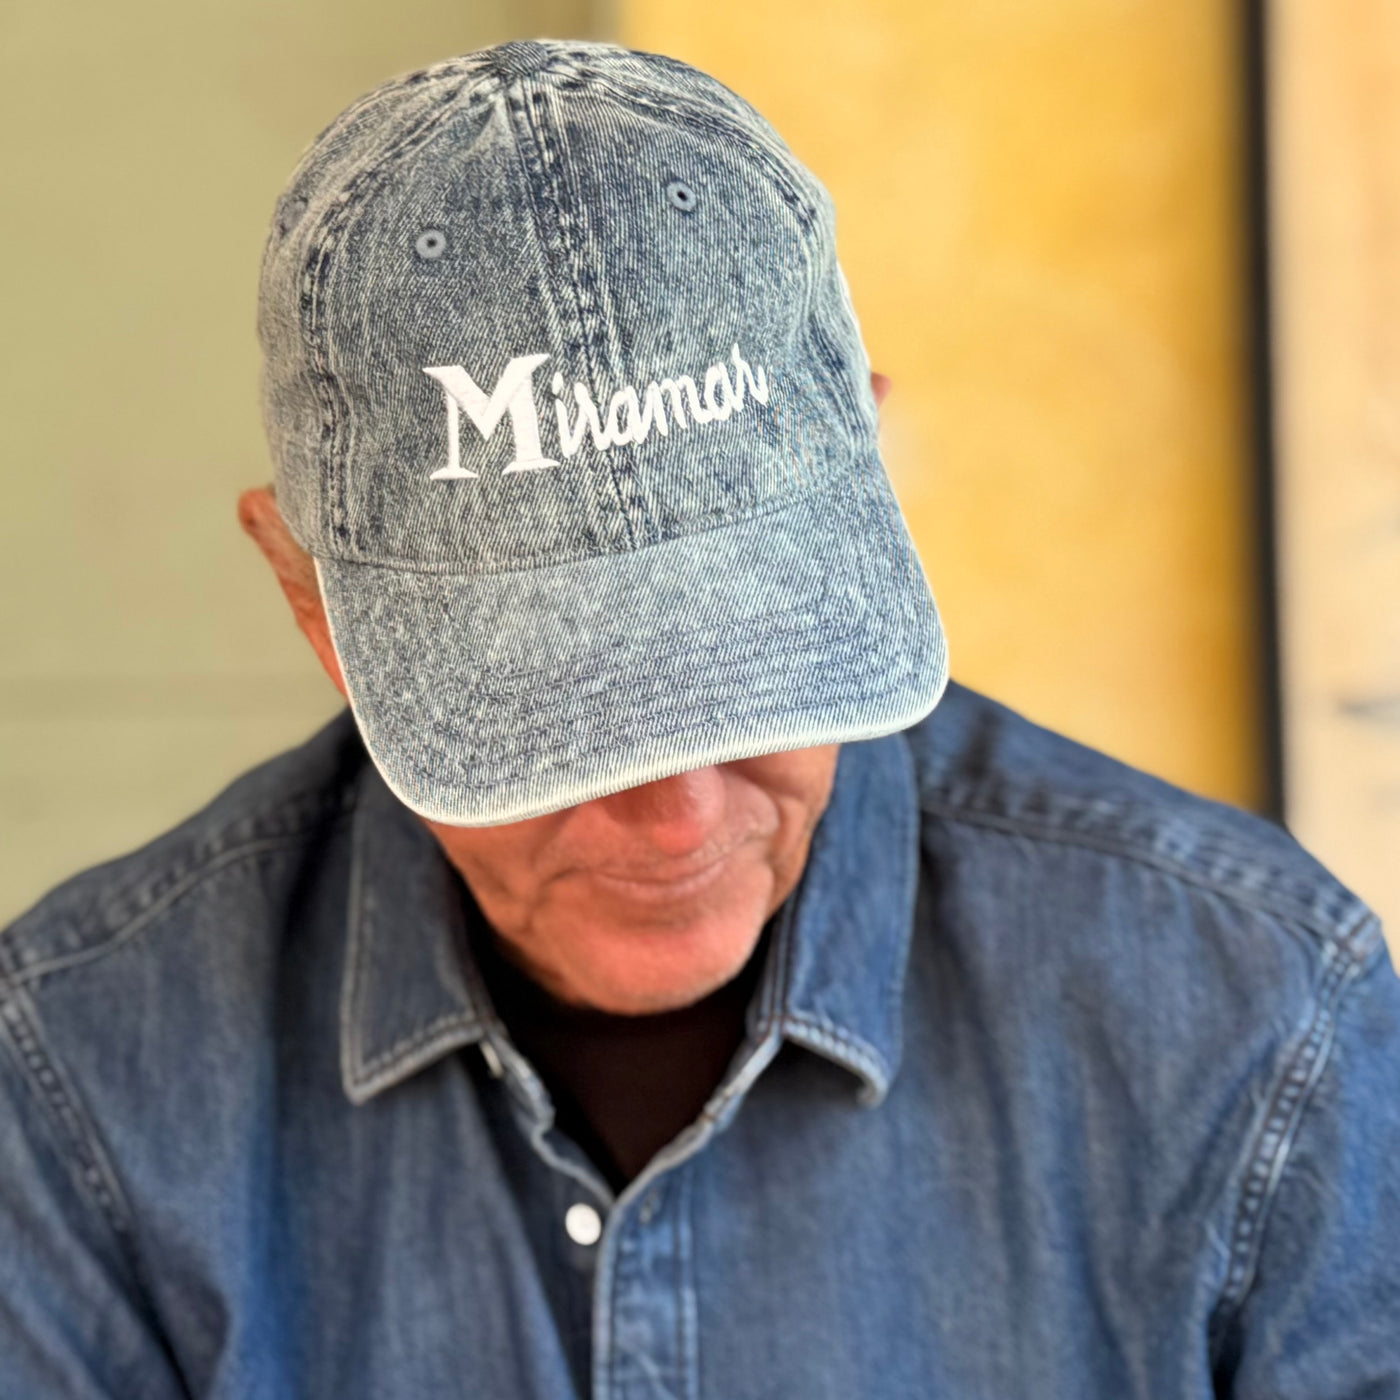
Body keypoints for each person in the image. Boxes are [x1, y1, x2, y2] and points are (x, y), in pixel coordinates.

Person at [2, 38, 1397, 1399]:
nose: (676, 815)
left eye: (754, 666)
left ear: (876, 492)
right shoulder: (83, 1086)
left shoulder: (1258, 1025)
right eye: (547, 711)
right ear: (314, 607)